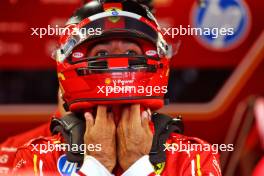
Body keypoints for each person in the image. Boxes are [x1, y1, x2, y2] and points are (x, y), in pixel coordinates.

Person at [12, 0, 222, 175]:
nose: (118, 63)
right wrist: (97, 165)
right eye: (101, 54)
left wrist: (137, 166)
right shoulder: (36, 157)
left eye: (131, 53)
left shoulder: (194, 156)